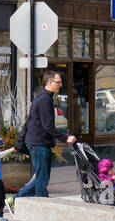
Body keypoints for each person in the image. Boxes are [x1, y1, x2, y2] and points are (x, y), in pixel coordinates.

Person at [13, 70, 76, 205]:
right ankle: (40, 205)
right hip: (38, 143)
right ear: (50, 82)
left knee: (42, 177)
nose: (61, 85)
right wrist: (65, 138)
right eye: (58, 82)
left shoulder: (43, 98)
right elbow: (48, 126)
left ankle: (17, 200)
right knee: (42, 178)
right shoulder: (44, 100)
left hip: (39, 142)